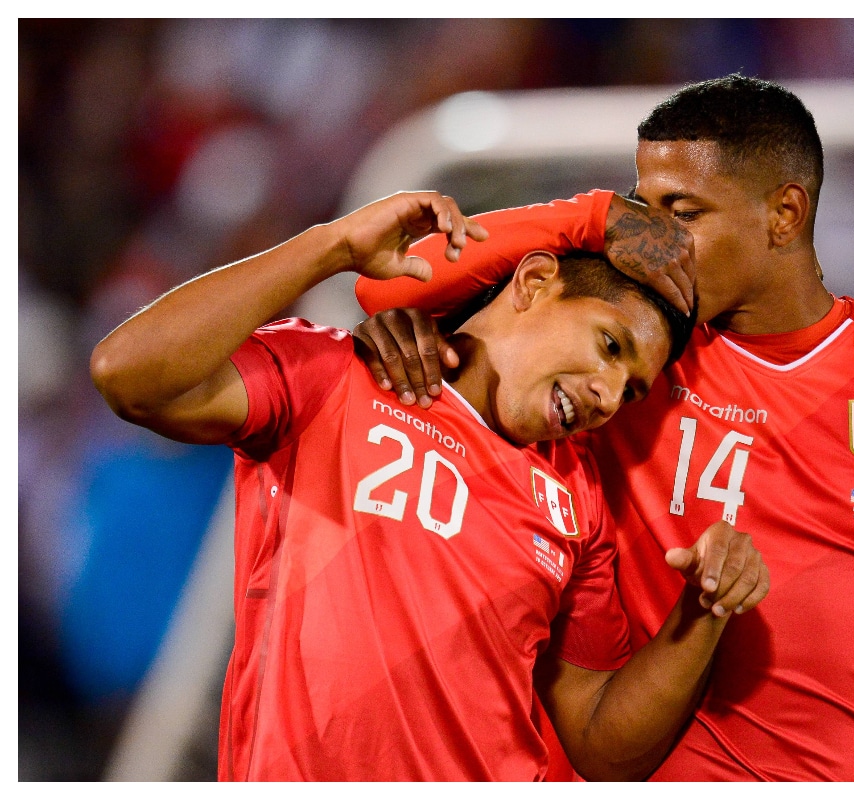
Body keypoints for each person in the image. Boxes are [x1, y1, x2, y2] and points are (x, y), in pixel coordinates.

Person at [353, 75, 854, 780]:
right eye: (640, 210)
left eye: (682, 214)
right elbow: (385, 280)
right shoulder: (624, 362)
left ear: (783, 215)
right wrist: (591, 217)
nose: (655, 243)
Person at [89, 190, 773, 781]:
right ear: (534, 285)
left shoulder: (576, 503)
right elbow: (128, 374)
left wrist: (705, 608)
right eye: (610, 346)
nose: (606, 394)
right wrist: (331, 246)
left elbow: (602, 746)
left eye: (630, 392)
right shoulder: (340, 377)